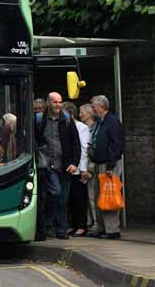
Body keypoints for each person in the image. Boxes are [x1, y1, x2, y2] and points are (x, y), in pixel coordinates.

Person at [35, 92, 81, 239]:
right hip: (48, 165)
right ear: (48, 103)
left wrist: (75, 163)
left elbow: (76, 143)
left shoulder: (67, 119)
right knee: (56, 193)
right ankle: (48, 224)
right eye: (55, 102)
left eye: (60, 102)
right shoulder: (39, 119)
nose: (58, 105)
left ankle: (60, 230)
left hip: (65, 165)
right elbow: (33, 140)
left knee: (63, 199)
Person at [88, 95, 125, 239]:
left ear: (101, 107)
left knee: (109, 195)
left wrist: (111, 165)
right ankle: (102, 227)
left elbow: (117, 144)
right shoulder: (100, 122)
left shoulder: (112, 122)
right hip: (100, 162)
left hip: (109, 164)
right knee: (99, 196)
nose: (92, 109)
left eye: (94, 107)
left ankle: (112, 230)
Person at [63, 101, 91, 237]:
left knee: (79, 198)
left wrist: (84, 168)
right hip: (69, 168)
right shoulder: (65, 126)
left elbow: (84, 148)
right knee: (71, 199)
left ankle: (81, 226)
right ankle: (73, 224)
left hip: (79, 169)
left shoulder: (82, 127)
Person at [78, 103, 98, 230]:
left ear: (89, 114)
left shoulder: (93, 129)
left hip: (92, 166)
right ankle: (91, 221)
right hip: (87, 166)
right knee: (89, 196)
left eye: (82, 112)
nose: (80, 115)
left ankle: (96, 222)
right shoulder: (86, 128)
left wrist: (88, 167)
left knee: (93, 196)